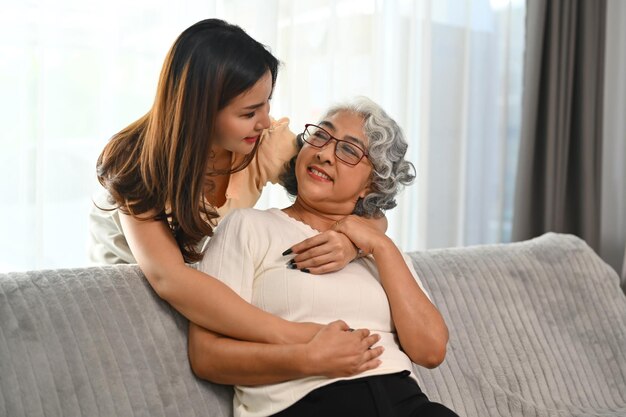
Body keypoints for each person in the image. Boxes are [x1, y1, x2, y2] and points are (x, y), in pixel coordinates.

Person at [91, 19, 385, 373]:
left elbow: (364, 205)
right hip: (134, 300)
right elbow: (170, 279)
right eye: (248, 113)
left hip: (208, 290)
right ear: (199, 112)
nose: (264, 121)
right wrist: (299, 335)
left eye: (266, 104)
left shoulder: (261, 144)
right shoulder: (137, 164)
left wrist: (350, 242)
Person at [188, 97, 459, 417]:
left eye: (348, 150)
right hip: (307, 402)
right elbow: (207, 356)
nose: (325, 153)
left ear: (371, 184)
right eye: (320, 136)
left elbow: (430, 350)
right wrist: (308, 359)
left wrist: (381, 247)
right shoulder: (248, 226)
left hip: (407, 403)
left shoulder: (379, 251)